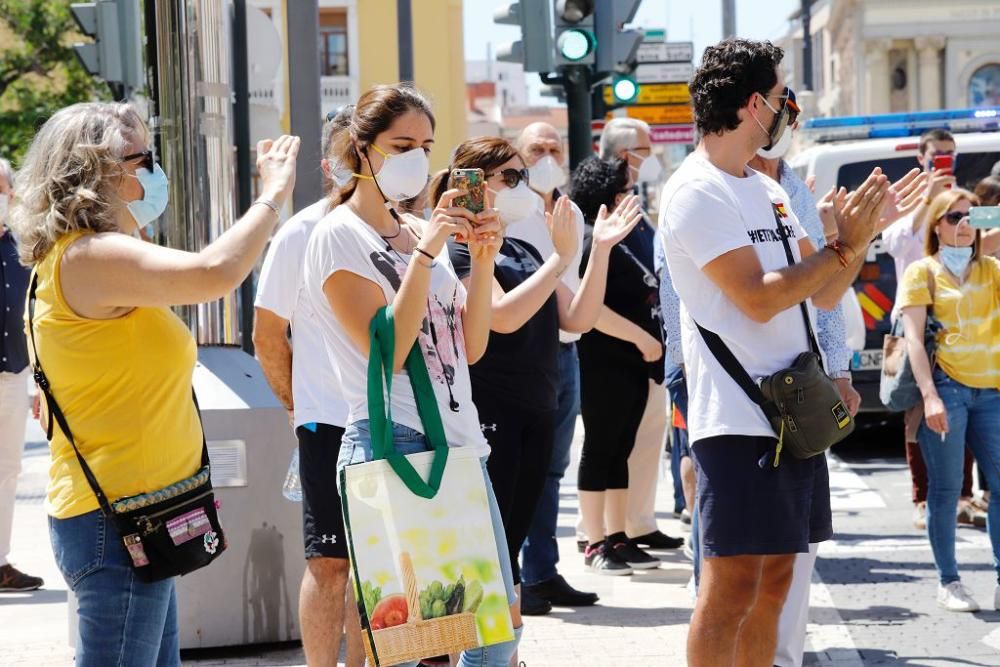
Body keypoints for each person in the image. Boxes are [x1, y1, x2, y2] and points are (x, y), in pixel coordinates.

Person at [9, 101, 299, 665]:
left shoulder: (86, 255)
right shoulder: (90, 257)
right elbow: (215, 273)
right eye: (143, 157)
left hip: (141, 515)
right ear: (98, 170)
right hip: (117, 524)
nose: (152, 171)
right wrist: (272, 195)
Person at [660, 39, 889, 664]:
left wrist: (858, 241)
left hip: (791, 415)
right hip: (737, 419)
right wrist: (840, 250)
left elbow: (819, 294)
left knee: (777, 581)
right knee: (732, 585)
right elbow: (759, 299)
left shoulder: (767, 191)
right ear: (755, 103)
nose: (791, 110)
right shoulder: (696, 191)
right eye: (785, 95)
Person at [301, 84, 518, 667]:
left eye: (426, 145)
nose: (418, 159)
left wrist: (485, 256)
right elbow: (390, 353)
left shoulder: (420, 229)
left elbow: (470, 347)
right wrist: (425, 256)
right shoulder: (337, 237)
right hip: (393, 442)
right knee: (407, 643)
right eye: (402, 144)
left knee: (495, 633)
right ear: (361, 149)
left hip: (458, 443)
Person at [432, 137, 639, 616]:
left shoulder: (524, 246)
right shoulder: (458, 250)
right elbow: (501, 316)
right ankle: (481, 647)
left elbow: (577, 319)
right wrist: (559, 260)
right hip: (490, 413)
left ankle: (503, 648)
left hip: (537, 409)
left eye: (521, 175)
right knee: (488, 548)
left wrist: (598, 250)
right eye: (510, 176)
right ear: (473, 183)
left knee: (510, 548)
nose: (521, 185)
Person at [253, 107, 363, 667]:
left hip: (397, 420)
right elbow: (268, 335)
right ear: (329, 165)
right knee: (331, 563)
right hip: (330, 425)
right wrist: (303, 409)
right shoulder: (301, 231)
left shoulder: (407, 233)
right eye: (352, 154)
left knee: (381, 566)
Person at [883, 128, 999, 530]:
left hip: (958, 319)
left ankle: (963, 496)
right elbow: (896, 243)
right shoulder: (907, 201)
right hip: (914, 316)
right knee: (917, 409)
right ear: (922, 158)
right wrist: (927, 199)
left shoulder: (961, 202)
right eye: (937, 155)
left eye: (950, 154)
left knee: (962, 406)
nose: (943, 161)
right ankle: (921, 498)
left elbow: (989, 233)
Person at [567, 156, 672, 576]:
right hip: (604, 361)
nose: (631, 197)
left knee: (620, 451)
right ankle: (595, 542)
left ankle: (617, 535)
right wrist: (641, 338)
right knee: (600, 449)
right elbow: (590, 309)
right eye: (623, 191)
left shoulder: (625, 238)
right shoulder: (593, 240)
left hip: (633, 363)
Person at [899, 188, 1000, 613]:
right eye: (955, 216)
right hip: (946, 391)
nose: (964, 224)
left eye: (971, 216)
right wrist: (930, 396)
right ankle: (949, 581)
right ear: (936, 225)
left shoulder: (992, 270)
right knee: (944, 492)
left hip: (992, 392)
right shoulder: (921, 272)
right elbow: (914, 342)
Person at [511, 122, 598, 611]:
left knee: (552, 469)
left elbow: (575, 280)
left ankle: (543, 571)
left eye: (553, 147)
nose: (545, 155)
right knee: (523, 468)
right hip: (525, 351)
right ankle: (519, 576)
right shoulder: (514, 209)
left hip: (566, 351)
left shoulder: (572, 211)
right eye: (535, 148)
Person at [597, 118, 681, 554]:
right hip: (617, 347)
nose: (650, 158)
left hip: (651, 344)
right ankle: (610, 531)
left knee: (649, 439)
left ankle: (640, 521)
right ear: (622, 155)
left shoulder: (636, 202)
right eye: (643, 150)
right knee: (617, 445)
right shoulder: (598, 204)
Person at [0, 157, 44, 593]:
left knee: (8, 469)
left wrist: (36, 382)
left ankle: (0, 561)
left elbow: (35, 316)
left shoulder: (22, 248)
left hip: (13, 374)